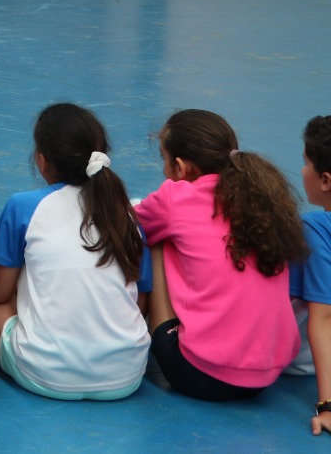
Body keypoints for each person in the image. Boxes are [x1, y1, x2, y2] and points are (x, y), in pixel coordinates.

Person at [136, 108, 304, 401]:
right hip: (267, 374)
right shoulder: (262, 200)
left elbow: (129, 222)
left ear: (180, 166)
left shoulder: (175, 198)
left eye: (164, 160)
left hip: (199, 372)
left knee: (157, 238)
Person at [0, 103, 149, 400]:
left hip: (45, 375)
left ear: (41, 160)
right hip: (126, 376)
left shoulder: (23, 206)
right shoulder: (127, 214)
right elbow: (140, 301)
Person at [297, 116, 331, 433]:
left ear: (325, 181)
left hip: (301, 364)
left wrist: (328, 406)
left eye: (306, 163)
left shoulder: (315, 230)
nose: (302, 172)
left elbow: (322, 318)